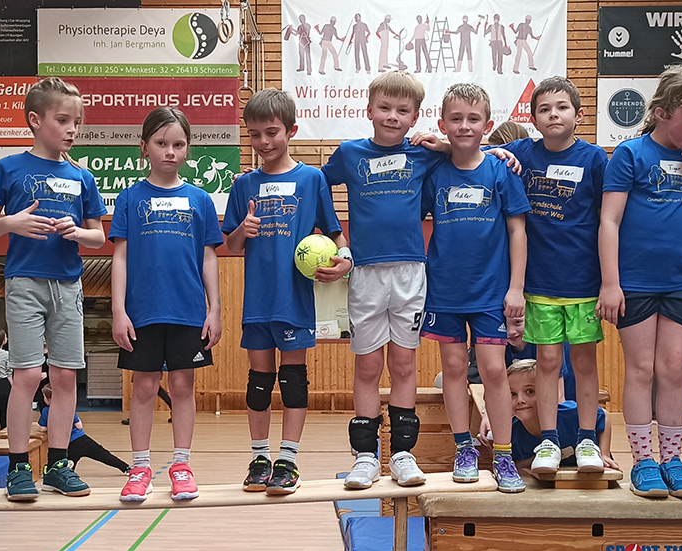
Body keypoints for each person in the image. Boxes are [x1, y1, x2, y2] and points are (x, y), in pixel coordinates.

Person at [0, 77, 107, 500]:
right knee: (29, 374)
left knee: (65, 376)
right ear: (35, 120)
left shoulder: (82, 176)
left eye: (78, 122)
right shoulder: (10, 168)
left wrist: (77, 232)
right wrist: (12, 222)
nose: (72, 129)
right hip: (24, 282)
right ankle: (18, 466)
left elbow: (98, 237)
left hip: (68, 285)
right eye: (63, 120)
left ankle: (58, 465)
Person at [599, 64, 682, 499]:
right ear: (663, 112)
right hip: (635, 282)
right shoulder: (630, 154)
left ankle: (672, 459)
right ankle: (643, 461)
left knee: (672, 368)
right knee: (641, 369)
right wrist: (610, 283)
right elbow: (609, 221)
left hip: (681, 280)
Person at [223, 89, 349, 495]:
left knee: (293, 380)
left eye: (272, 132)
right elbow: (232, 245)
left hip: (294, 299)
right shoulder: (244, 184)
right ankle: (260, 458)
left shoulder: (311, 180)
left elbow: (335, 233)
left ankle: (288, 461)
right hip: (257, 301)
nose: (263, 142)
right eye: (254, 134)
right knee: (259, 382)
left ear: (291, 130)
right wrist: (242, 230)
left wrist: (345, 260)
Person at [322, 72, 439, 490]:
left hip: (410, 272)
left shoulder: (423, 154)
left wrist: (443, 143)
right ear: (369, 110)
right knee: (368, 365)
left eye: (402, 111)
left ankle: (403, 455)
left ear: (415, 117)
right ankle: (366, 457)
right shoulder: (350, 153)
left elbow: (470, 152)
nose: (392, 116)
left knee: (404, 363)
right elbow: (315, 185)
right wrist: (338, 240)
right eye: (385, 108)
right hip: (366, 272)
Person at [496, 77, 607, 478]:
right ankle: (548, 440)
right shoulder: (521, 152)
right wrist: (446, 145)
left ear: (579, 115)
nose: (553, 115)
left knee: (584, 361)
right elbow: (472, 152)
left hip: (584, 281)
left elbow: (609, 220)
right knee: (546, 360)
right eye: (544, 109)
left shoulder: (595, 159)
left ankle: (587, 439)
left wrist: (609, 281)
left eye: (562, 107)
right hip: (539, 283)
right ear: (533, 118)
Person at [420, 83, 528, 492]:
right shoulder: (435, 172)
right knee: (452, 368)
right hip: (445, 290)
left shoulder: (501, 170)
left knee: (494, 370)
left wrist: (515, 288)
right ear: (442, 123)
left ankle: (503, 454)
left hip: (491, 291)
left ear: (488, 123)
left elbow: (517, 231)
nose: (464, 126)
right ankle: (463, 448)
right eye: (456, 119)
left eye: (473, 119)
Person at [111, 107, 222, 503]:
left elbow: (208, 256)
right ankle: (140, 468)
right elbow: (120, 257)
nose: (170, 152)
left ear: (188, 149)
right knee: (143, 386)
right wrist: (118, 310)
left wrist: (214, 309)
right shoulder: (130, 199)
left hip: (187, 310)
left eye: (178, 144)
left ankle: (181, 466)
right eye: (161, 143)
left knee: (181, 385)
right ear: (145, 147)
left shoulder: (200, 200)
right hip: (142, 312)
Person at [505, 359, 617, 471]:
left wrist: (604, 454)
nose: (520, 400)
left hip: (591, 471)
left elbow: (604, 415)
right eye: (513, 394)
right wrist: (535, 458)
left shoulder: (569, 413)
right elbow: (515, 464)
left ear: (547, 393)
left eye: (530, 391)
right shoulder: (511, 431)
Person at [39, 385, 130, 474]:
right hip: (82, 439)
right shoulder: (69, 409)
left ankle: (58, 474)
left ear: (49, 399)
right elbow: (79, 426)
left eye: (44, 397)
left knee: (67, 467)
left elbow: (43, 428)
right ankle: (126, 467)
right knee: (103, 454)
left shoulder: (46, 411)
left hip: (68, 445)